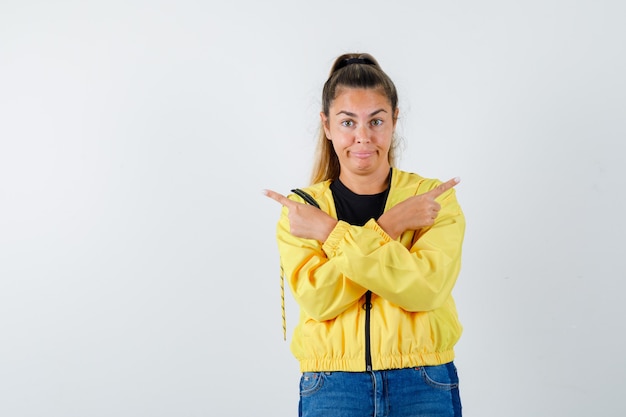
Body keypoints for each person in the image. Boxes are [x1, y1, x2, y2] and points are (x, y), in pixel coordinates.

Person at [263, 52, 466, 417]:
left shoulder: (433, 200)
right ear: (326, 125)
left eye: (376, 121)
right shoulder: (304, 210)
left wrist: (331, 235)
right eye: (347, 122)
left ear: (394, 120)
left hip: (423, 381)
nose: (362, 137)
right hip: (332, 385)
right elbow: (318, 299)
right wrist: (389, 227)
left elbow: (425, 289)